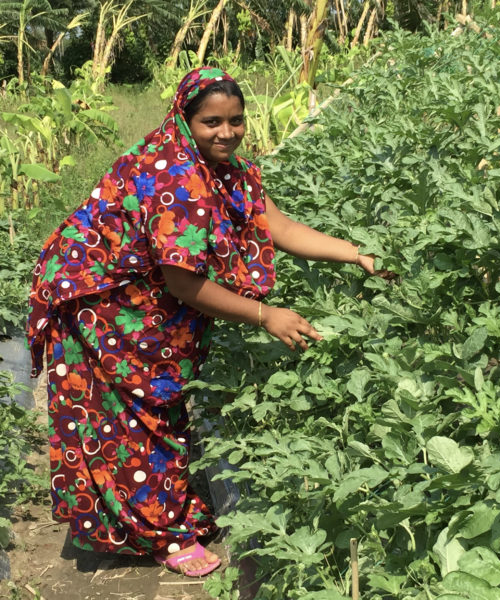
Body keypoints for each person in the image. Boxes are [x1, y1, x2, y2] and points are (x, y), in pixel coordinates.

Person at [26, 66, 375, 577]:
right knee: (130, 425)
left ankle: (166, 513)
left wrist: (358, 254)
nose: (227, 132)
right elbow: (184, 284)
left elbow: (274, 224)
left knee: (159, 415)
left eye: (236, 120)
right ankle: (164, 539)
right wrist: (266, 315)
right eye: (212, 121)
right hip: (104, 308)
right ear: (186, 120)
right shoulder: (177, 178)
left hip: (145, 309)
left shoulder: (225, 167)